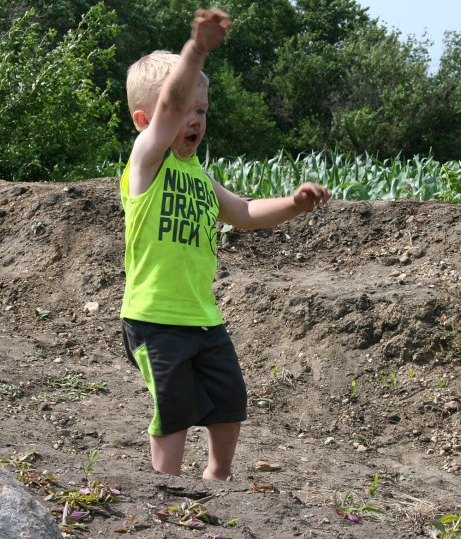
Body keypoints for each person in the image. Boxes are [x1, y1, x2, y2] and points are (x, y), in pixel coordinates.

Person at [119, 8, 331, 481]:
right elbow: (170, 106)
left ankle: (218, 481)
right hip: (154, 318)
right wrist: (195, 51)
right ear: (145, 121)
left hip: (203, 317)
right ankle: (167, 487)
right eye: (185, 110)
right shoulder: (147, 163)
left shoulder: (199, 176)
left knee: (229, 399)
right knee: (174, 406)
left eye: (202, 111)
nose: (194, 118)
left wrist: (295, 204)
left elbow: (246, 213)